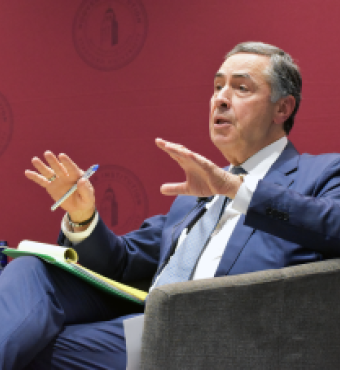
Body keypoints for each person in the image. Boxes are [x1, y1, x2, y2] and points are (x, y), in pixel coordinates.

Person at [1, 41, 340, 369]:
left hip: (220, 335)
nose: (220, 99)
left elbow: (332, 224)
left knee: (29, 347)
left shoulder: (321, 173)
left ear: (283, 108)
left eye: (241, 88)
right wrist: (82, 216)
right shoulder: (196, 195)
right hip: (148, 323)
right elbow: (122, 263)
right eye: (217, 86)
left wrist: (237, 189)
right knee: (30, 271)